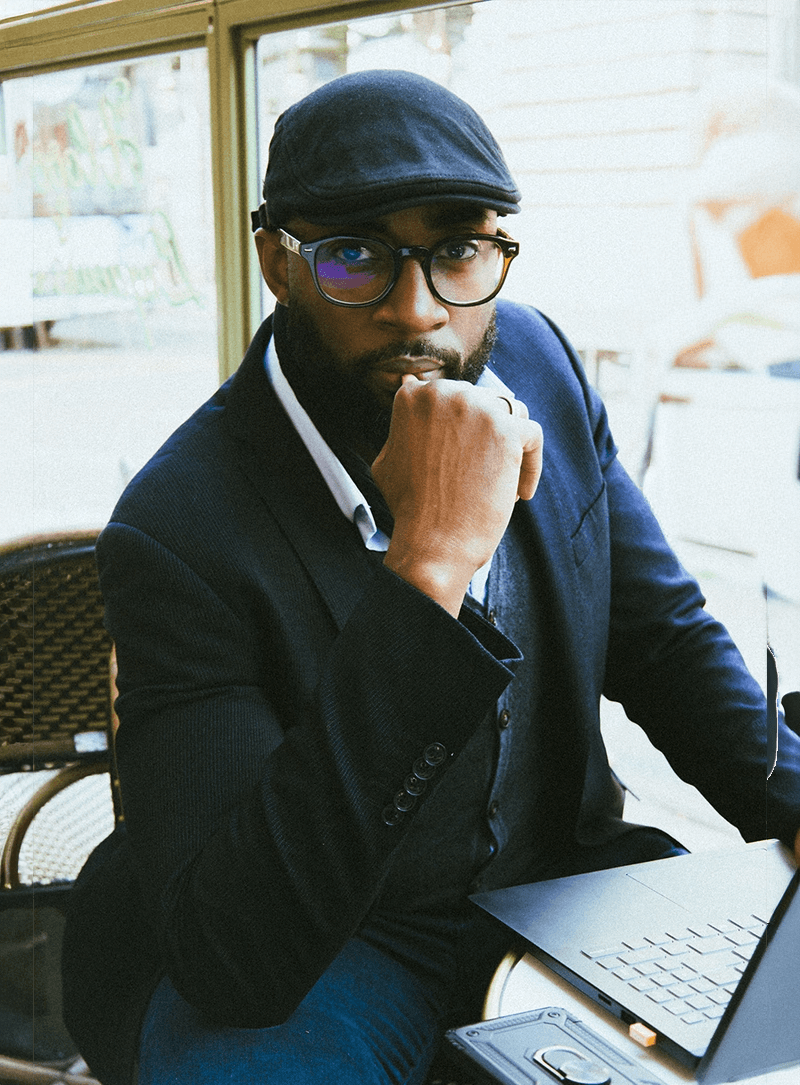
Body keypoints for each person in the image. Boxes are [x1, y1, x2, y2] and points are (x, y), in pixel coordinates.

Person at [62, 70, 800, 1085]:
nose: (418, 314)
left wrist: (791, 800)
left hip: (555, 886)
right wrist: (427, 569)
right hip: (328, 945)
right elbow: (237, 948)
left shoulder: (538, 361)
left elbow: (663, 640)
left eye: (457, 250)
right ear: (278, 264)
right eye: (354, 256)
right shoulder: (178, 527)